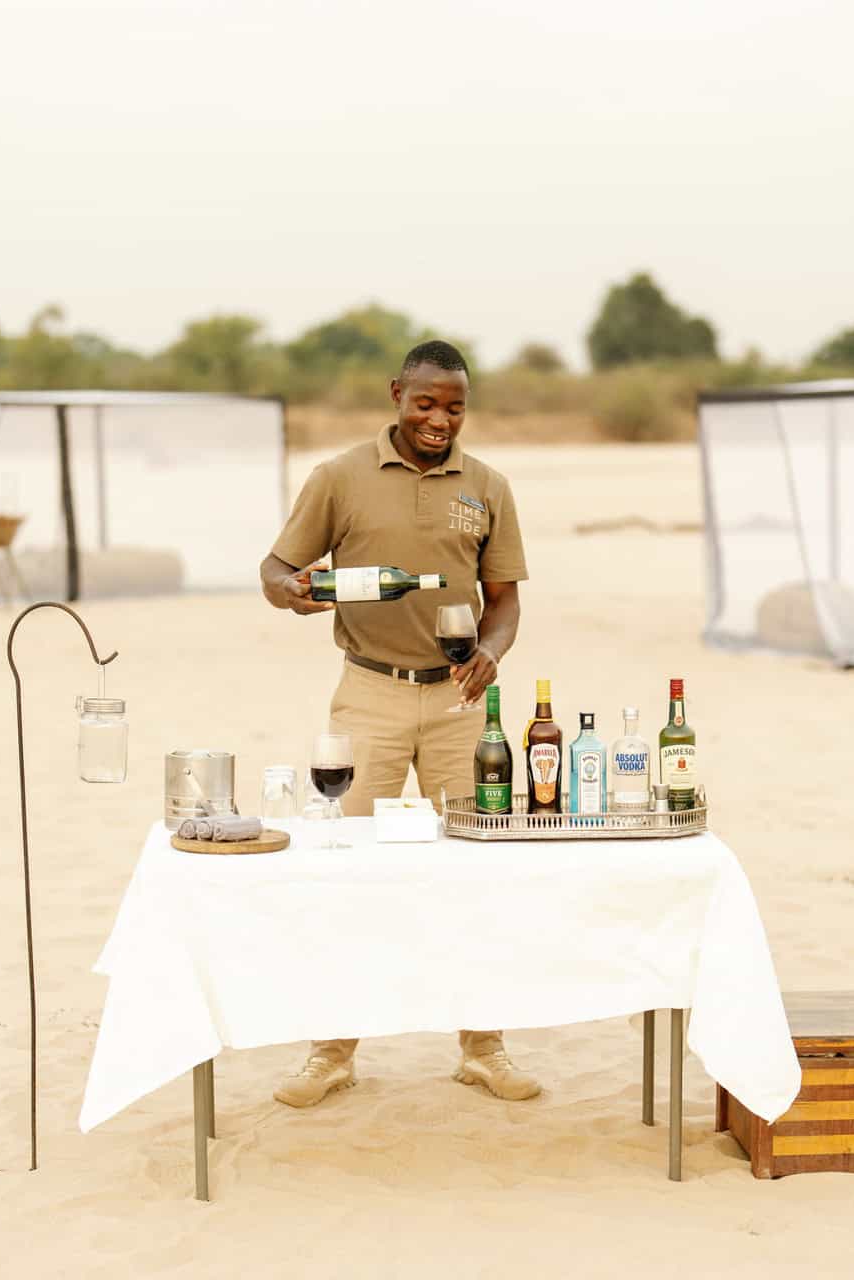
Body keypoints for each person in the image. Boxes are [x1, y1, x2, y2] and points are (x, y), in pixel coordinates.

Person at [258, 339, 539, 1107]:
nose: (439, 420)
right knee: (345, 871)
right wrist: (295, 593)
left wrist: (490, 649)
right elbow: (275, 572)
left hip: (459, 704)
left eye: (453, 406)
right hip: (369, 694)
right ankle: (330, 1054)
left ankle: (483, 1048)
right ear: (395, 395)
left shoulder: (487, 488)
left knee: (478, 872)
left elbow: (505, 599)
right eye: (425, 403)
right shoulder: (338, 478)